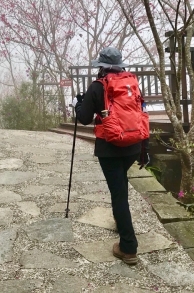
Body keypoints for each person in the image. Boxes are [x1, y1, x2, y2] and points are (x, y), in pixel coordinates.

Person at [73, 47, 150, 265]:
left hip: (110, 148)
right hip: (133, 145)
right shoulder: (131, 83)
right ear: (120, 65)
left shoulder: (98, 86)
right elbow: (141, 112)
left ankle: (128, 247)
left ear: (101, 66)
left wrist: (77, 104)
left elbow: (85, 118)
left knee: (119, 194)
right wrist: (145, 147)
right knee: (120, 185)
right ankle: (120, 219)